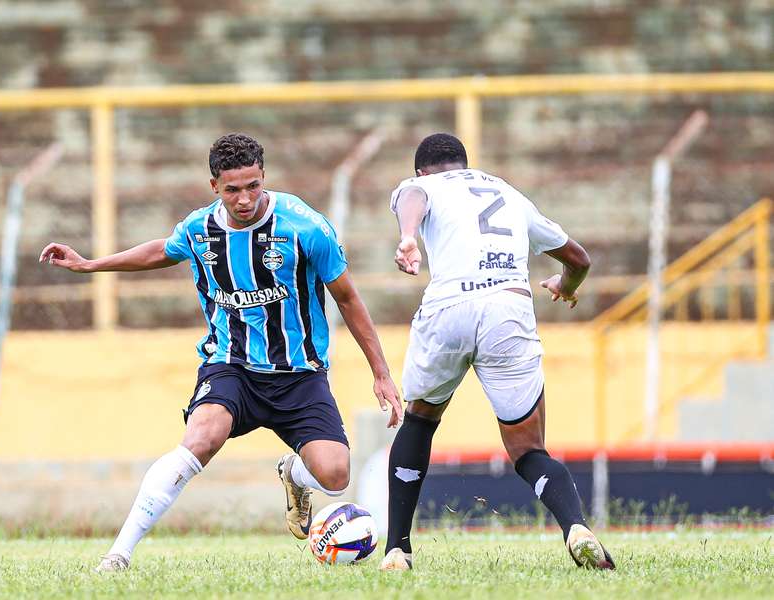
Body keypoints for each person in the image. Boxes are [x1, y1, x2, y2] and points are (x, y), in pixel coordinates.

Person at [40, 133, 402, 572]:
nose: (245, 198)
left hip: (299, 372)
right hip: (230, 365)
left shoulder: (305, 226)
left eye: (253, 186)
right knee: (200, 438)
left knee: (335, 475)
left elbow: (347, 298)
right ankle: (118, 554)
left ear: (263, 177)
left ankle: (294, 476)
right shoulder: (199, 229)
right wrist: (90, 264)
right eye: (233, 189)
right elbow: (161, 250)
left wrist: (381, 373)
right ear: (215, 186)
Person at [379, 133, 614, 571]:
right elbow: (579, 259)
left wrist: (409, 235)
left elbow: (412, 196)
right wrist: (565, 287)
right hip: (508, 307)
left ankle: (397, 549)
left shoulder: (423, 186)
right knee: (529, 448)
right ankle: (576, 528)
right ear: (466, 163)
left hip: (448, 308)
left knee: (419, 420)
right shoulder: (506, 191)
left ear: (422, 169)